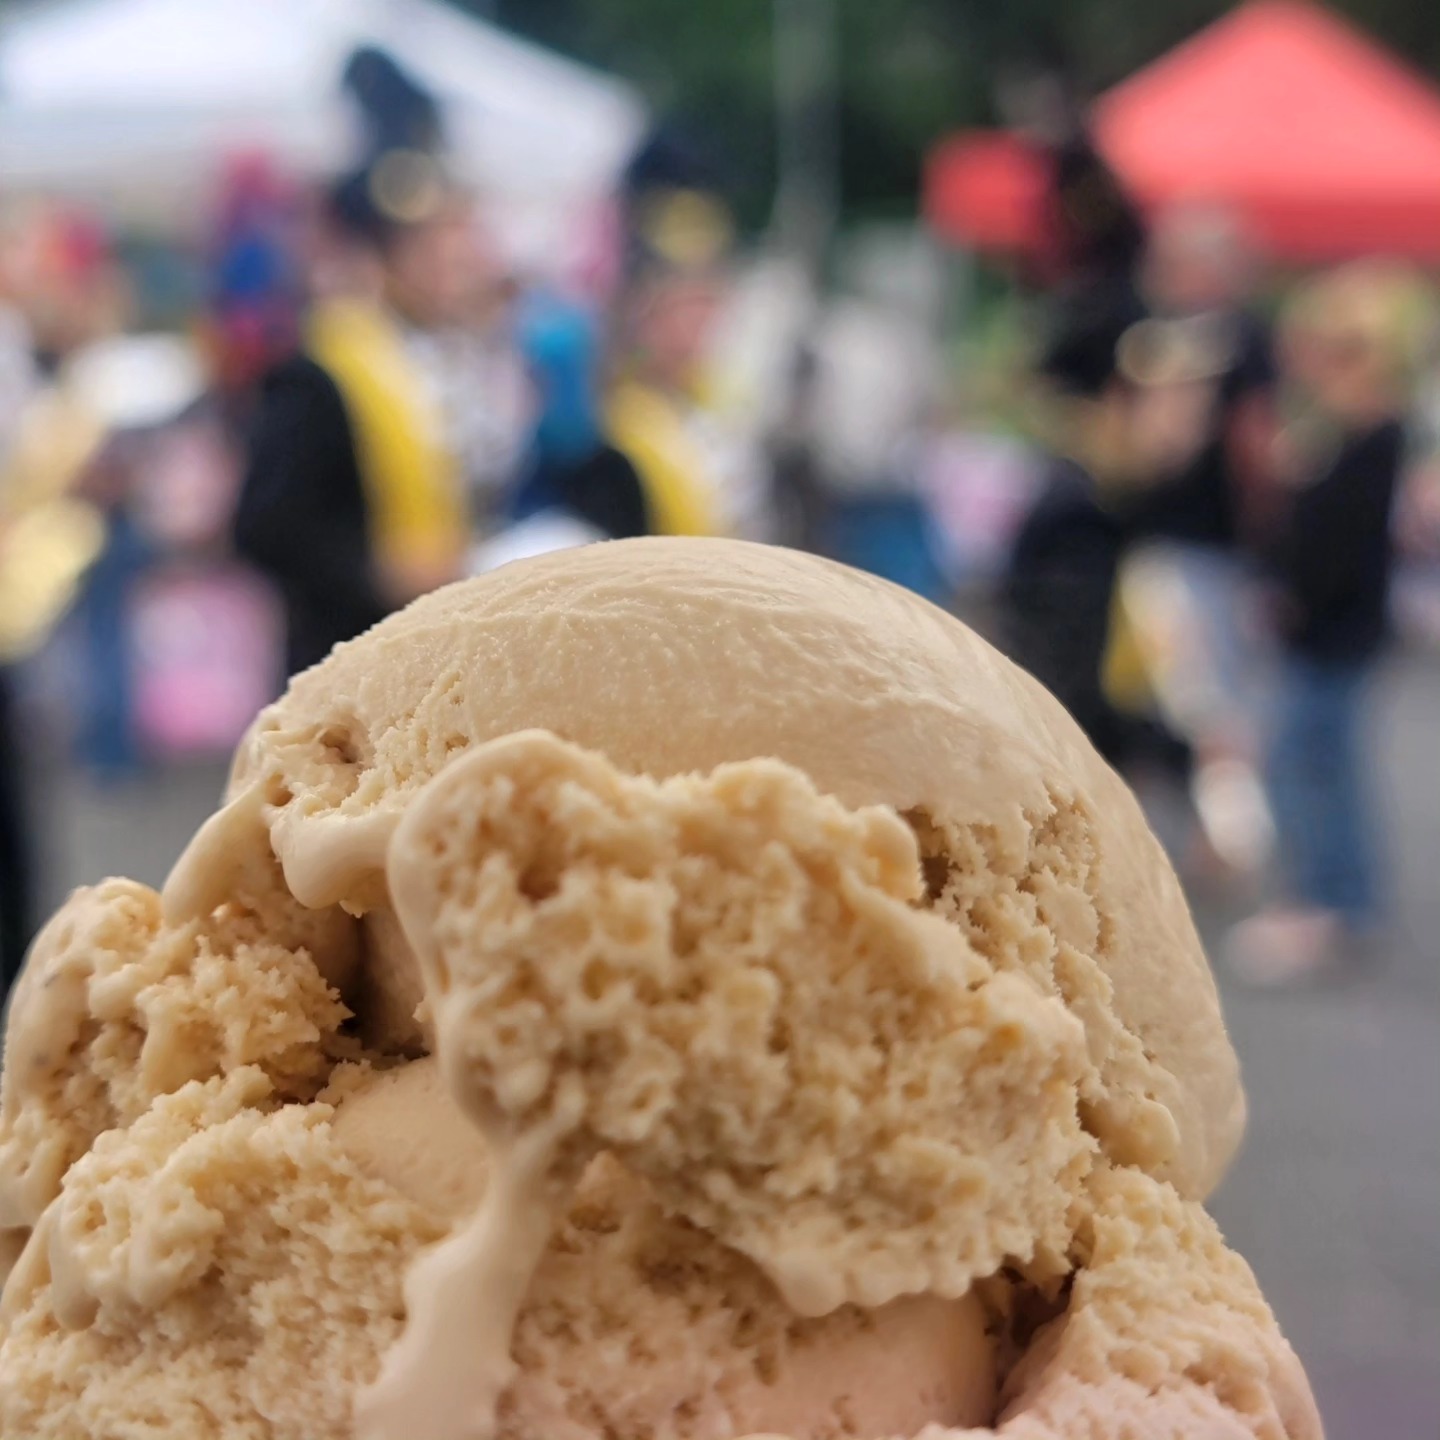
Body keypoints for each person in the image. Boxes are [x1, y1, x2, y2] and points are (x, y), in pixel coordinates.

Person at [1228, 262, 1424, 982]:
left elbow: (1339, 542)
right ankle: (1337, 901)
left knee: (1311, 765)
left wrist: (1295, 596)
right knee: (1317, 763)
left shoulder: (1372, 434)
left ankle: (1328, 902)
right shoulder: (1345, 431)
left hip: (1334, 631)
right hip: (1330, 627)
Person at [233, 158, 470, 676]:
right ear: (377, 261)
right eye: (425, 250)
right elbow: (265, 524)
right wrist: (374, 573)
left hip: (435, 645)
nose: (449, 263)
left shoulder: (437, 358)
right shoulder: (319, 371)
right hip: (345, 656)